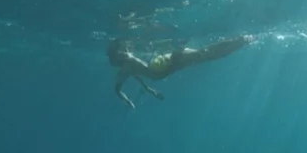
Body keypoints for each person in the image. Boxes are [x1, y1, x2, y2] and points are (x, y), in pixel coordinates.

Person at [106, 35, 252, 108]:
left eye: (123, 49)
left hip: (162, 67)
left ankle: (239, 42)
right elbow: (118, 88)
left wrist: (150, 91)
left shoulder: (127, 65)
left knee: (204, 54)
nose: (125, 51)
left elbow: (137, 78)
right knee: (204, 54)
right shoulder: (125, 68)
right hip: (161, 67)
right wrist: (127, 100)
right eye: (120, 51)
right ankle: (239, 41)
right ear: (116, 57)